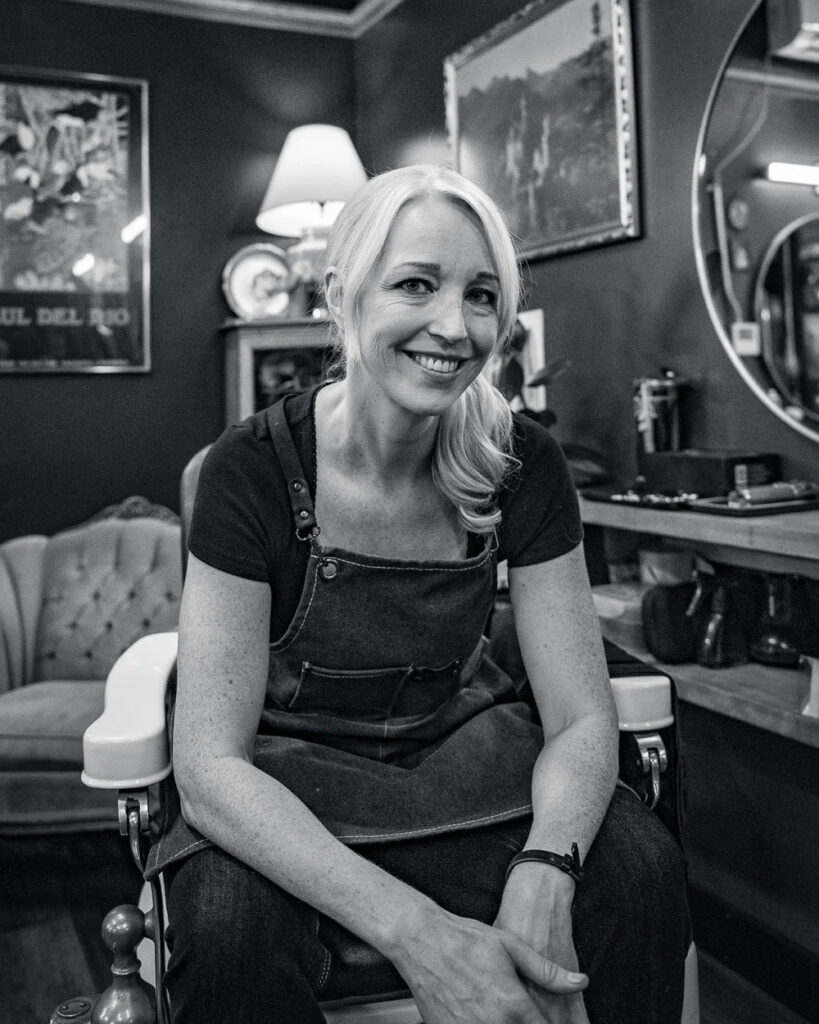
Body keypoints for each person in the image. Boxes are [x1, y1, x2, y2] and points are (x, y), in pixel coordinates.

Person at [150, 163, 689, 1024]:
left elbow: (581, 717)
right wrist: (417, 934)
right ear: (341, 295)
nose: (453, 326)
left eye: (481, 295)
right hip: (288, 786)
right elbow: (212, 767)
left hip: (463, 765)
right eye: (415, 284)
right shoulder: (250, 469)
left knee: (639, 871)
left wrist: (547, 869)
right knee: (226, 932)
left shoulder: (521, 463)